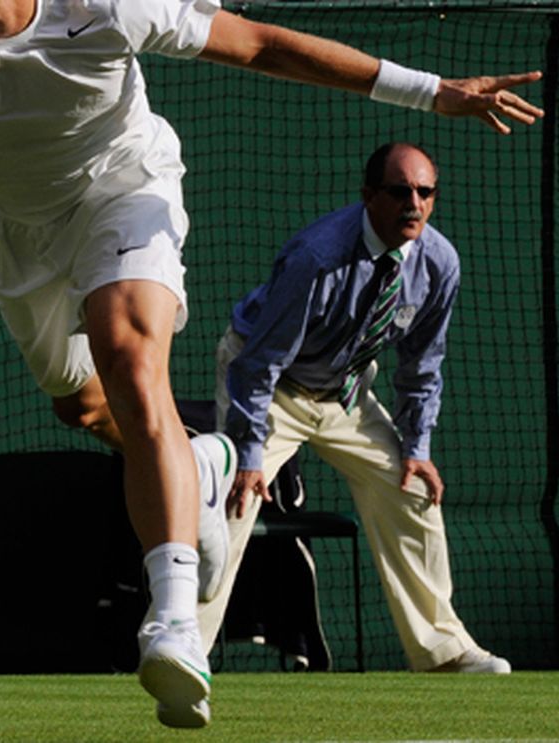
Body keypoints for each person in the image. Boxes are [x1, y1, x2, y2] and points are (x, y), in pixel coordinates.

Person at [0, 0, 542, 728]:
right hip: (13, 231)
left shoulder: (107, 4)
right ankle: (199, 461)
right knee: (84, 407)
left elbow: (260, 43)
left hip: (125, 190)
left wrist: (430, 92)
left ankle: (168, 622)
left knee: (130, 359)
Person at [203, 141, 512, 679]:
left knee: (413, 488)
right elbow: (258, 365)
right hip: (273, 387)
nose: (413, 203)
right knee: (231, 504)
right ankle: (185, 646)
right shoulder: (317, 258)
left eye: (425, 192)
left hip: (345, 393)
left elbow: (422, 365)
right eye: (399, 192)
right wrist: (249, 456)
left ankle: (442, 652)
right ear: (369, 196)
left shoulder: (439, 263)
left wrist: (417, 450)